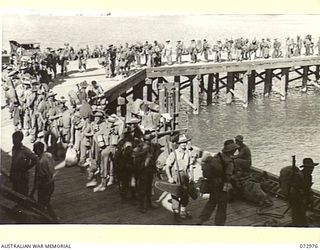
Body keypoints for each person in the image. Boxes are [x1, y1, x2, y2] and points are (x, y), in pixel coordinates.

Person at [197, 139, 238, 225]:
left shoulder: (218, 155)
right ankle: (219, 223)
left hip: (212, 183)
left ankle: (202, 218)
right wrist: (227, 188)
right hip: (221, 184)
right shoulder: (229, 162)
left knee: (212, 201)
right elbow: (227, 176)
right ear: (232, 151)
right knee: (222, 205)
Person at [165, 134, 196, 221]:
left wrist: (191, 176)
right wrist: (170, 177)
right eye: (182, 143)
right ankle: (176, 214)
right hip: (176, 175)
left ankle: (183, 211)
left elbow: (190, 165)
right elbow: (167, 166)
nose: (184, 144)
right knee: (175, 194)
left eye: (185, 142)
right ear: (178, 144)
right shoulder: (173, 154)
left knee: (185, 194)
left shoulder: (188, 153)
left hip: (185, 175)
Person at [31, 141, 58, 221]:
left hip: (45, 184)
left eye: (35, 149)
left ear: (39, 150)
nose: (33, 150)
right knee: (45, 201)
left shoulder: (41, 162)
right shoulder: (47, 156)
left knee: (43, 202)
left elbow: (41, 176)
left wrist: (34, 189)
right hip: (51, 183)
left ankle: (52, 219)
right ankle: (51, 218)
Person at [288, 158, 318, 227]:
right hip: (296, 198)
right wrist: (300, 198)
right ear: (306, 167)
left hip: (303, 198)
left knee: (302, 214)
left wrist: (310, 196)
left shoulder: (309, 176)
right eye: (310, 168)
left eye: (312, 167)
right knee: (297, 215)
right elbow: (293, 189)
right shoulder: (298, 176)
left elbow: (307, 187)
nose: (312, 169)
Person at [10, 131, 38, 196]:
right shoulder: (13, 148)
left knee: (23, 193)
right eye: (13, 139)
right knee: (15, 193)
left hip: (22, 176)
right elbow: (13, 162)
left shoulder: (26, 150)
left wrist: (27, 168)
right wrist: (11, 174)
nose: (13, 141)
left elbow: (35, 159)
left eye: (15, 140)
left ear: (20, 140)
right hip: (15, 175)